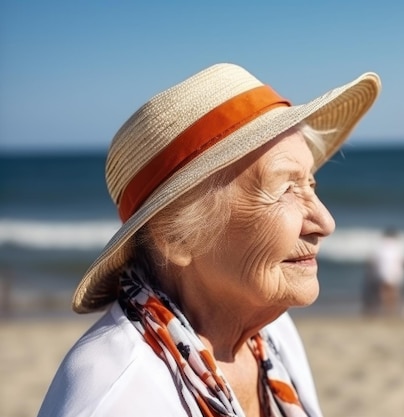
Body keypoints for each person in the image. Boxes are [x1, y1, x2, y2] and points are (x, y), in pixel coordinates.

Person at [38, 63, 381, 417]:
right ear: (177, 237)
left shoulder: (273, 335)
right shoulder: (114, 397)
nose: (325, 222)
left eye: (310, 184)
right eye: (284, 189)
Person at [365, 227, 404, 316]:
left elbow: (373, 261)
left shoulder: (380, 245)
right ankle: (391, 311)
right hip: (395, 274)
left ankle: (383, 310)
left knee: (383, 292)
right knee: (393, 293)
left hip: (381, 274)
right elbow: (403, 262)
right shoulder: (397, 245)